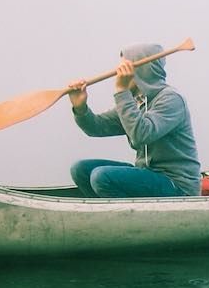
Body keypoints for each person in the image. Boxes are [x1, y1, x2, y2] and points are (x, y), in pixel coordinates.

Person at [67, 43, 201, 197]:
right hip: (148, 174)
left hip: (177, 184)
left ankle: (125, 217)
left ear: (141, 72)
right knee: (80, 169)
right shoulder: (137, 102)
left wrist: (121, 91)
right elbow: (96, 127)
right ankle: (107, 214)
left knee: (101, 177)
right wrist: (80, 107)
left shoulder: (171, 99)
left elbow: (141, 135)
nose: (118, 75)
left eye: (124, 70)